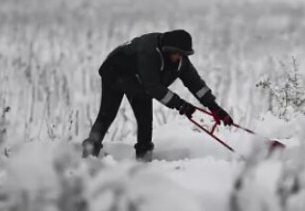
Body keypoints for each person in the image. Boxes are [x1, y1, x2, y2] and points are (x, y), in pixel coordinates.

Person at [82, 29, 233, 160]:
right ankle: (89, 154)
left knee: (145, 121)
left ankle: (144, 160)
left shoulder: (181, 61)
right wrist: (180, 104)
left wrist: (215, 108)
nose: (180, 57)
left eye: (183, 54)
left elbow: (196, 85)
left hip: (139, 82)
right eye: (178, 54)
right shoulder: (148, 53)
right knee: (107, 115)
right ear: (168, 50)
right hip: (114, 72)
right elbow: (153, 87)